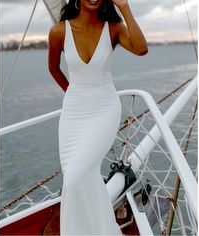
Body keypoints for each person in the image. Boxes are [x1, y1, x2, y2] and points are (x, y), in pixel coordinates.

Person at [48, 0, 148, 235]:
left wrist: (124, 7)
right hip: (73, 114)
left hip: (105, 111)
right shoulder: (59, 30)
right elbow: (53, 68)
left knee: (73, 180)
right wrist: (75, 93)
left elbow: (141, 49)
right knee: (84, 178)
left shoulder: (113, 27)